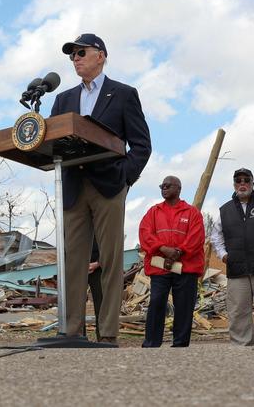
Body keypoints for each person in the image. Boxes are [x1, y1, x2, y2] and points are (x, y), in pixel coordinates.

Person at [50, 33, 152, 345]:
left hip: (108, 187)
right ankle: (72, 331)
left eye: (81, 52)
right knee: (72, 263)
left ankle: (107, 332)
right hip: (72, 187)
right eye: (72, 55)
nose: (75, 58)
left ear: (100, 55)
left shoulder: (122, 94)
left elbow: (142, 145)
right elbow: (52, 141)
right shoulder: (63, 99)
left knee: (110, 260)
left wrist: (124, 178)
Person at [210, 168, 254, 346]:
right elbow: (215, 236)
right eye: (238, 180)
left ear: (252, 183)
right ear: (234, 184)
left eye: (246, 180)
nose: (242, 183)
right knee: (238, 311)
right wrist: (224, 255)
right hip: (237, 269)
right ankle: (241, 350)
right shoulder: (224, 210)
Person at [139, 176, 205, 347]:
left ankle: (180, 344)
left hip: (186, 268)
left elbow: (196, 238)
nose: (164, 188)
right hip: (160, 268)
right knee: (156, 302)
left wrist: (179, 251)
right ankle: (151, 343)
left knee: (184, 306)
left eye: (168, 185)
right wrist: (163, 249)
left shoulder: (192, 213)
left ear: (178, 188)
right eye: (162, 185)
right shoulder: (153, 212)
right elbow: (145, 234)